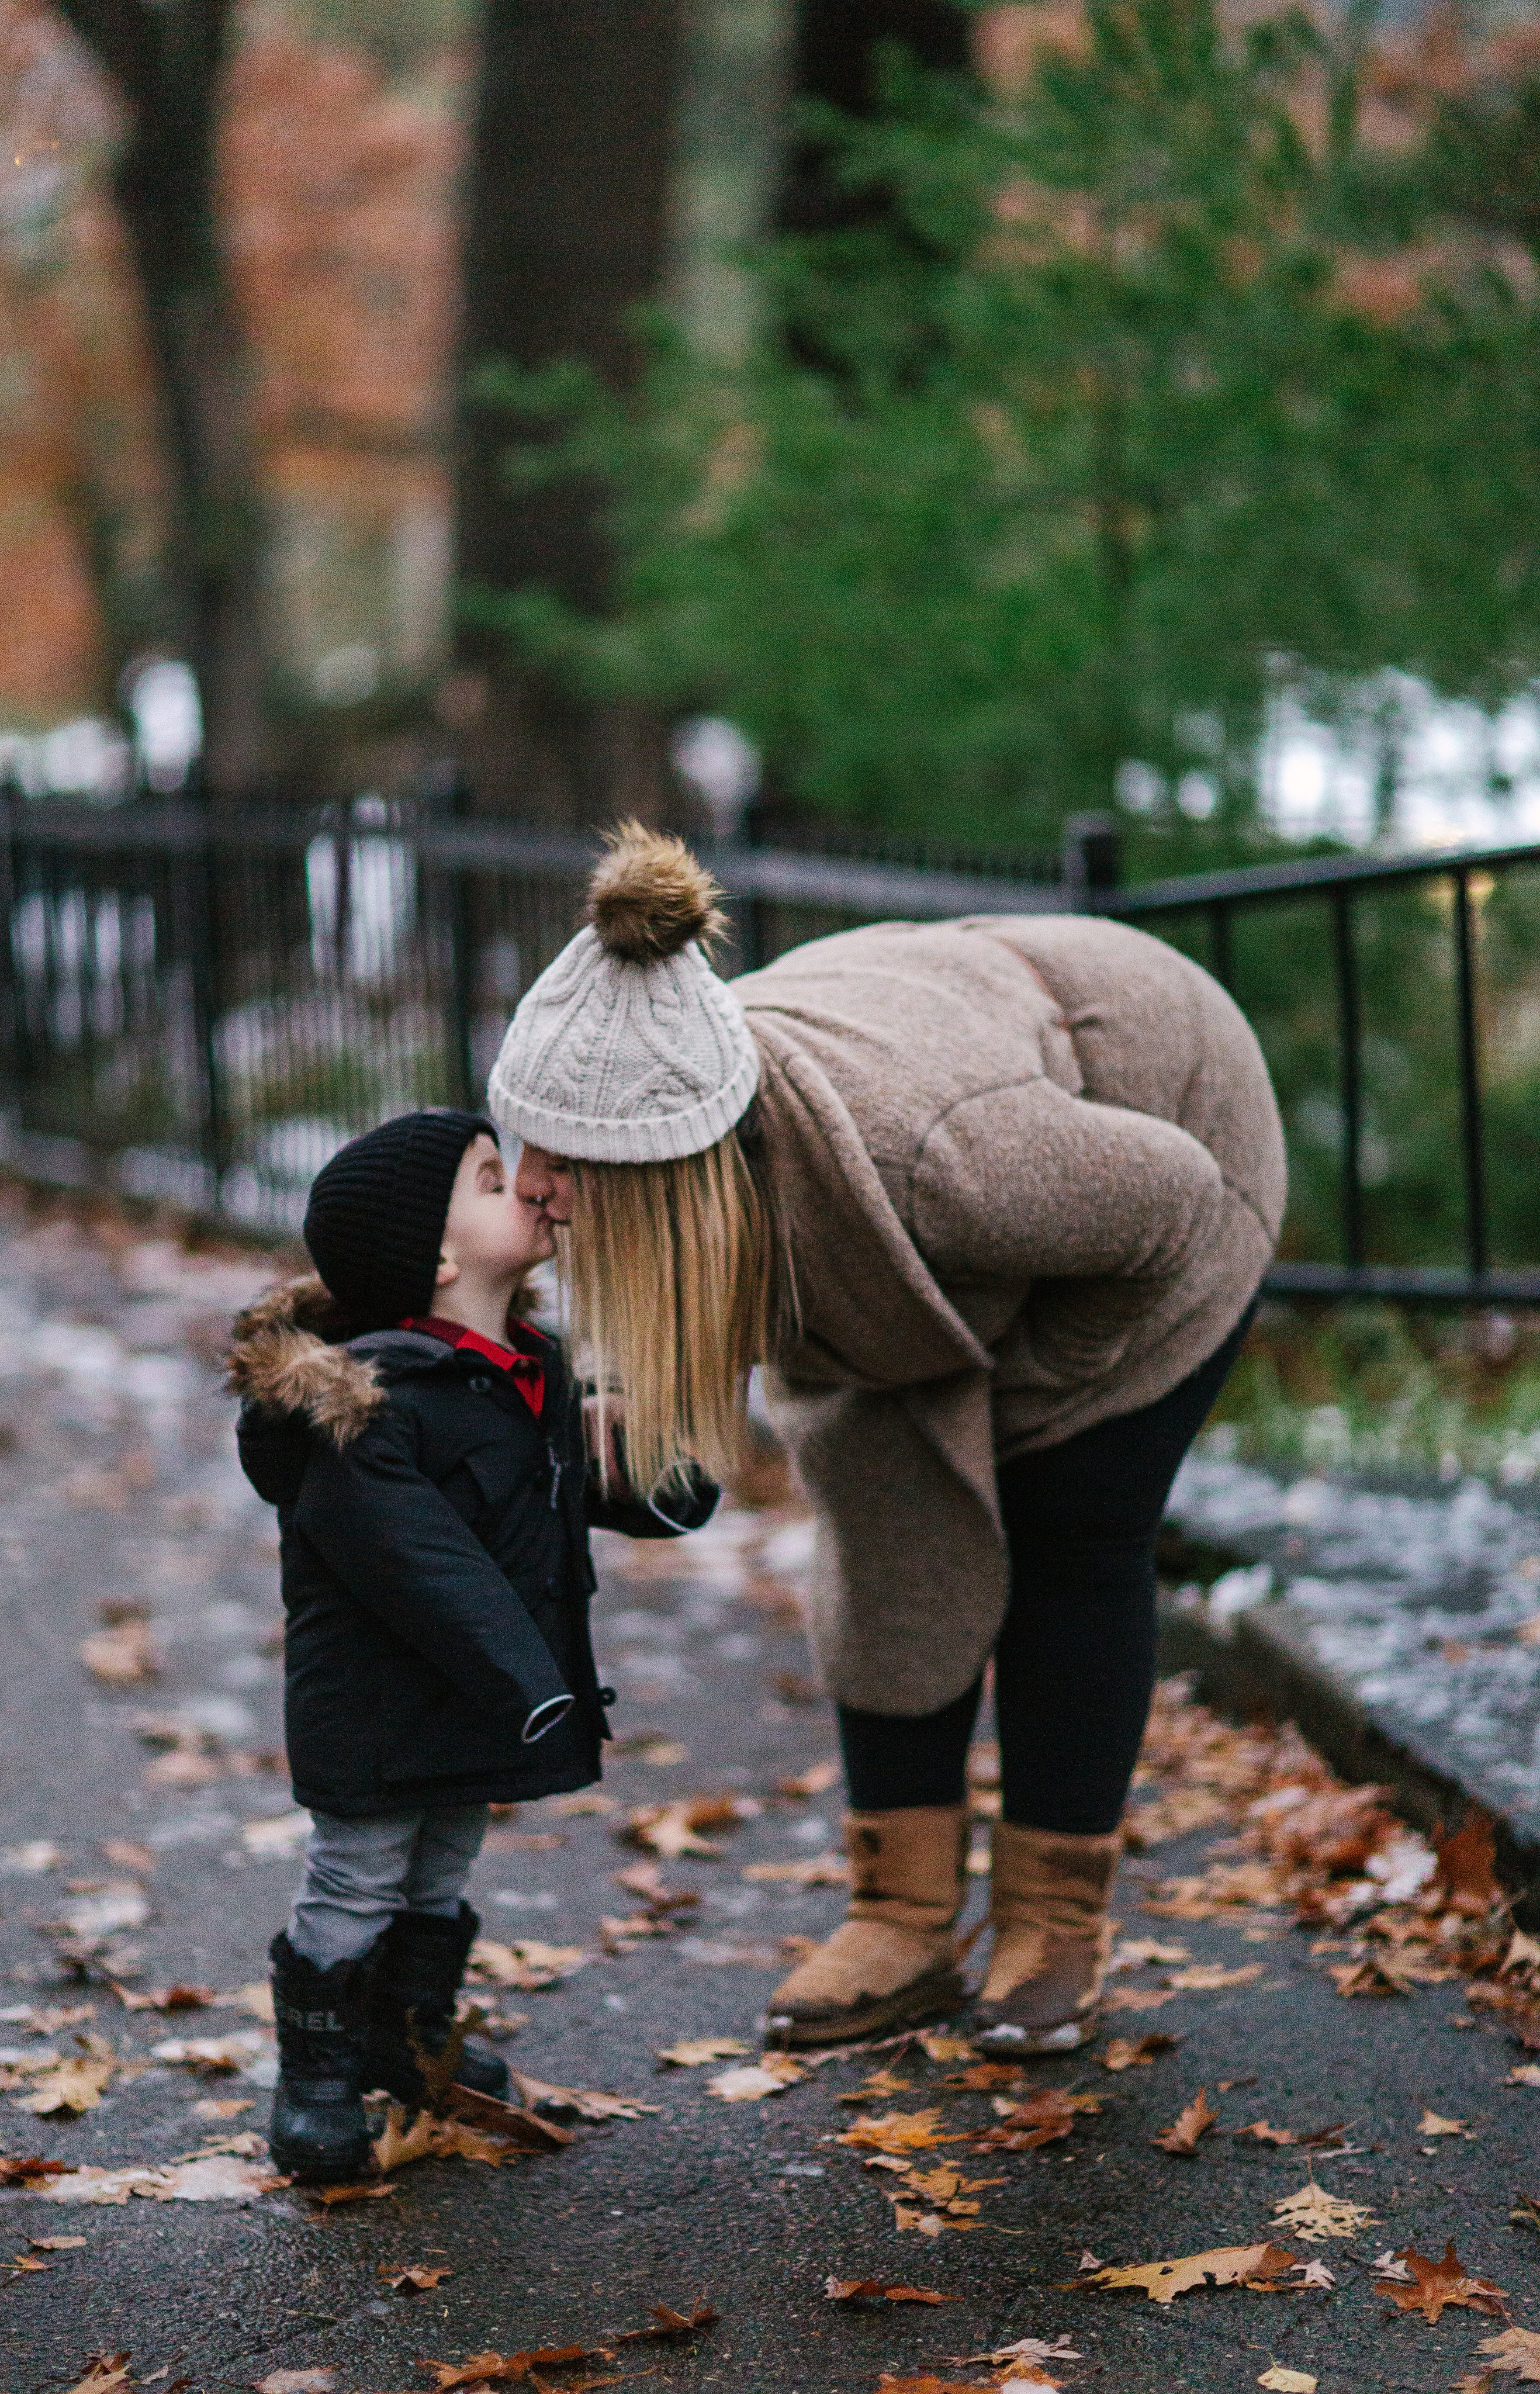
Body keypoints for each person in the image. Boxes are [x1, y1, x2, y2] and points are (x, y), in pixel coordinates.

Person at [488, 825, 1286, 2055]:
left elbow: (1172, 1204)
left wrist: (1028, 1396)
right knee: (879, 1519)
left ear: (665, 1176)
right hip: (914, 1210)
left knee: (1069, 1522)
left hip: (1160, 1129)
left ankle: (1051, 1922)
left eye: (563, 1170)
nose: (531, 1188)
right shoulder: (627, 1134)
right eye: (525, 1151)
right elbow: (673, 1454)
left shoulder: (946, 1162)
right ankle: (903, 1912)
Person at [227, 1107, 716, 2179]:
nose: (533, 1188)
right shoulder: (366, 1407)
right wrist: (529, 1684)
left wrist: (660, 1477)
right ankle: (314, 2079)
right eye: (497, 1179)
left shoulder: (524, 1366)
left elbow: (561, 1493)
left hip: (482, 1696)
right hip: (383, 1702)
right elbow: (423, 1566)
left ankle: (410, 2039)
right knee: (359, 1879)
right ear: (439, 1255)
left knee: (441, 1865)